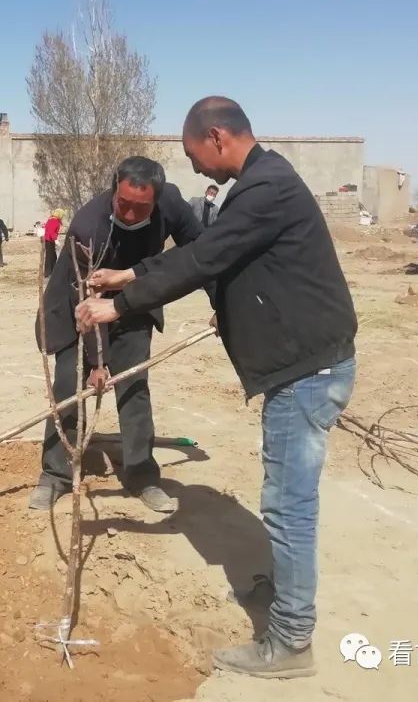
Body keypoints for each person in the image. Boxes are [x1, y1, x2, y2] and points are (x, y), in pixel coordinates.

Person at [76, 97, 357, 680]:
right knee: (287, 502)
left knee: (287, 508)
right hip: (301, 363)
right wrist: (133, 273)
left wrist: (119, 303)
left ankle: (290, 642)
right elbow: (215, 255)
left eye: (192, 155)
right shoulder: (262, 183)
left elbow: (205, 257)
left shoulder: (265, 187)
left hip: (304, 372)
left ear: (217, 136)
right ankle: (286, 599)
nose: (196, 168)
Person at [29, 156, 209, 514]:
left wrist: (223, 305)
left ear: (156, 201)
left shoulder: (171, 204)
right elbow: (88, 302)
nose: (129, 214)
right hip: (77, 308)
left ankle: (142, 475)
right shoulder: (88, 226)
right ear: (113, 191)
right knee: (68, 386)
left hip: (134, 302)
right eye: (122, 204)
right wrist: (98, 362)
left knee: (134, 388)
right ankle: (55, 475)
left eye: (140, 208)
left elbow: (205, 253)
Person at [43, 209, 65, 276]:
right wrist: (55, 240)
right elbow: (51, 231)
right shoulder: (54, 221)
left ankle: (52, 271)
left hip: (49, 240)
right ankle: (48, 272)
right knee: (50, 257)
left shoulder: (51, 219)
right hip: (50, 240)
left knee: (53, 256)